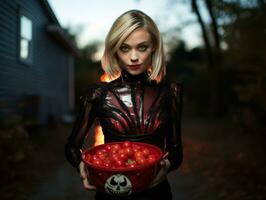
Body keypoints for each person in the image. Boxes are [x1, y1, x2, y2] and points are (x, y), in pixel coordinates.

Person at [65, 9, 183, 200]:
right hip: (110, 192)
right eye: (125, 48)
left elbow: (176, 151)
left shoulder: (171, 92)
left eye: (142, 47)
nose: (133, 57)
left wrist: (166, 165)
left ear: (153, 47)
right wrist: (81, 165)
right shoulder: (97, 94)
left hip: (157, 193)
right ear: (115, 50)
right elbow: (71, 147)